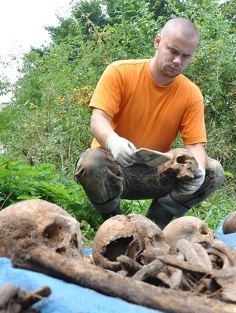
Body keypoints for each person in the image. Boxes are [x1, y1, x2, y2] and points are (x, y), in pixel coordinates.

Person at [74, 17, 225, 229]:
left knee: (212, 171)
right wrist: (113, 142)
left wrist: (197, 173)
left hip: (156, 173)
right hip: (115, 169)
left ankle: (157, 224)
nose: (177, 61)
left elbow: (194, 146)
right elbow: (98, 120)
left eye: (185, 56)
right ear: (157, 42)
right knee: (91, 163)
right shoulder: (120, 72)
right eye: (173, 51)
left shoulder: (191, 94)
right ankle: (114, 225)